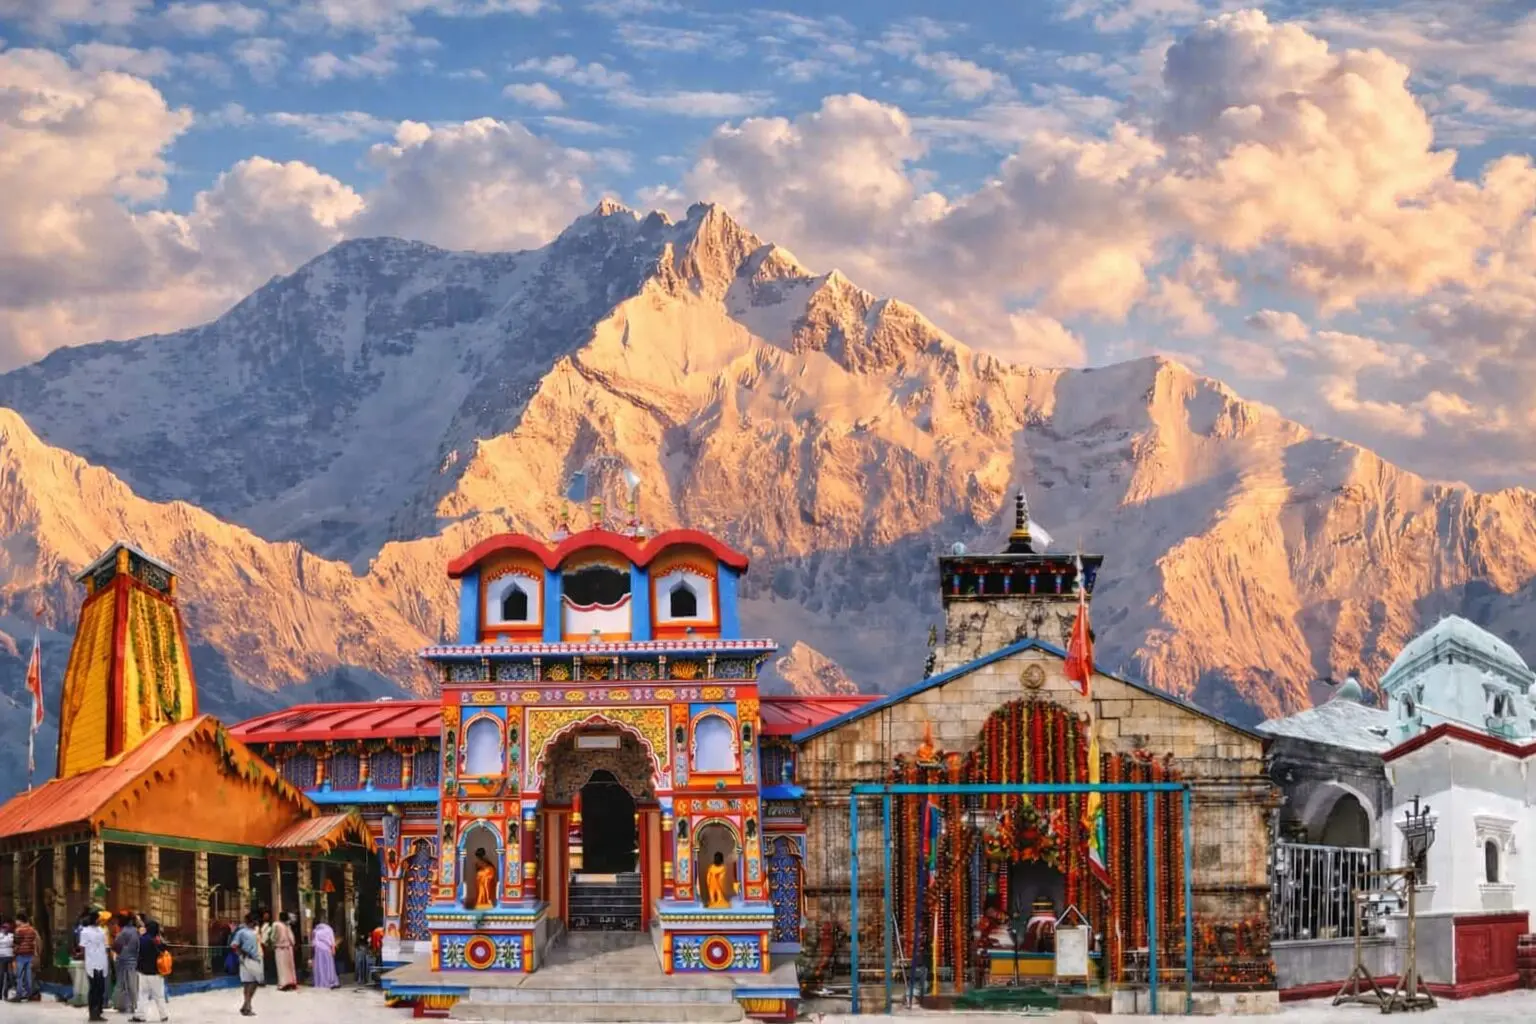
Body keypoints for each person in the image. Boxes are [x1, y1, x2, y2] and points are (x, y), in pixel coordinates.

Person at [133, 919, 170, 1023]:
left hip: (143, 972)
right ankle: (163, 1015)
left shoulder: (142, 939)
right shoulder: (156, 940)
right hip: (156, 972)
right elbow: (164, 949)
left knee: (142, 994)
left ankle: (140, 1016)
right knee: (159, 995)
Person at [80, 910, 110, 1022]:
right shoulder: (85, 931)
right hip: (91, 962)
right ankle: (92, 1013)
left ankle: (99, 1011)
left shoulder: (102, 931)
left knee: (101, 988)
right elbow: (82, 948)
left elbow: (106, 946)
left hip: (102, 961)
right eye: (98, 918)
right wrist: (85, 960)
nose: (100, 920)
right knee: (94, 988)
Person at [231, 913, 263, 1017]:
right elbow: (234, 945)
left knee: (254, 982)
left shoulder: (255, 931)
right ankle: (247, 1007)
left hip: (257, 958)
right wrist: (242, 954)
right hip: (247, 959)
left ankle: (245, 1005)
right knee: (249, 982)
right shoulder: (241, 932)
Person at [112, 911, 141, 1014]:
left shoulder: (123, 932)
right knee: (133, 984)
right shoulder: (136, 932)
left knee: (122, 983)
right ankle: (133, 1004)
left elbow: (116, 946)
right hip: (134, 961)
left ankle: (121, 1005)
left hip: (122, 961)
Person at [12, 912, 36, 1002]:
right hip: (29, 954)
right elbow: (33, 941)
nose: (15, 922)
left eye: (16, 920)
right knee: (28, 975)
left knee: (19, 976)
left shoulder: (18, 930)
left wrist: (14, 953)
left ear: (20, 920)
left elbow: (16, 943)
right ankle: (29, 994)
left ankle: (19, 995)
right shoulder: (32, 930)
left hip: (21, 955)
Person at [310, 918, 338, 989]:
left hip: (318, 950)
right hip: (327, 949)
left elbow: (313, 943)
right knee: (329, 966)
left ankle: (321, 982)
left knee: (320, 967)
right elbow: (332, 940)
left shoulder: (315, 930)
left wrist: (311, 955)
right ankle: (331, 981)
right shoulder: (329, 929)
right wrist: (333, 949)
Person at [272, 912, 297, 991]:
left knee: (281, 967)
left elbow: (273, 936)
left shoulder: (276, 924)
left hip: (279, 948)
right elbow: (291, 937)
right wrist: (292, 944)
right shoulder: (287, 926)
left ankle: (283, 984)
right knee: (289, 966)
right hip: (288, 948)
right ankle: (291, 983)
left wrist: (273, 943)